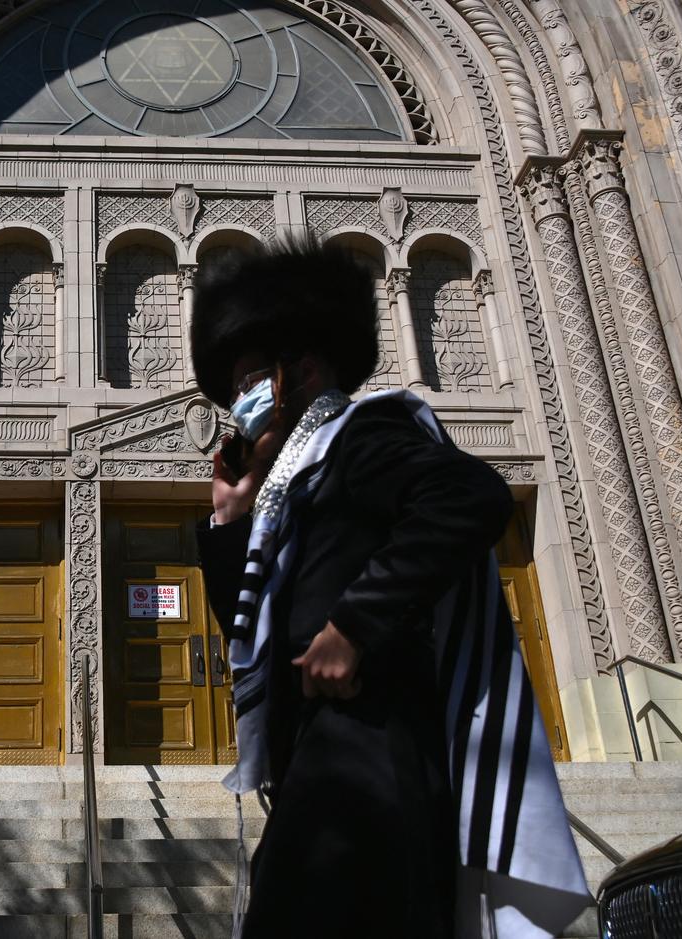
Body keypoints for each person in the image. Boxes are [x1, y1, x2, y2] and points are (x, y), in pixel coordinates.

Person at [192, 237, 589, 938]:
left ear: (304, 370)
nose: (240, 404)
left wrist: (354, 627)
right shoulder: (289, 488)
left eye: (252, 380)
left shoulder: (361, 438)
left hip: (372, 737)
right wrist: (230, 515)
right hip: (316, 747)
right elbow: (250, 625)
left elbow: (471, 495)